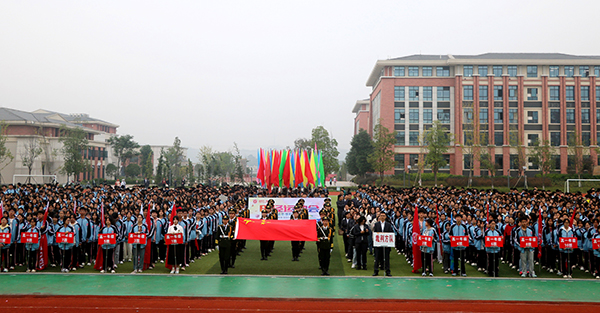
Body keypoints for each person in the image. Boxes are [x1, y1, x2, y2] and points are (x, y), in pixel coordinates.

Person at [372, 213, 393, 277]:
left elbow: (391, 233)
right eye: (381, 216)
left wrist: (388, 243)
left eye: (383, 216)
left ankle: (387, 271)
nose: (382, 217)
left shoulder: (388, 225)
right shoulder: (376, 224)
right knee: (377, 258)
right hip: (378, 245)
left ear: (386, 217)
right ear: (379, 217)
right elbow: (375, 234)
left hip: (386, 244)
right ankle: (376, 271)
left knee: (386, 258)